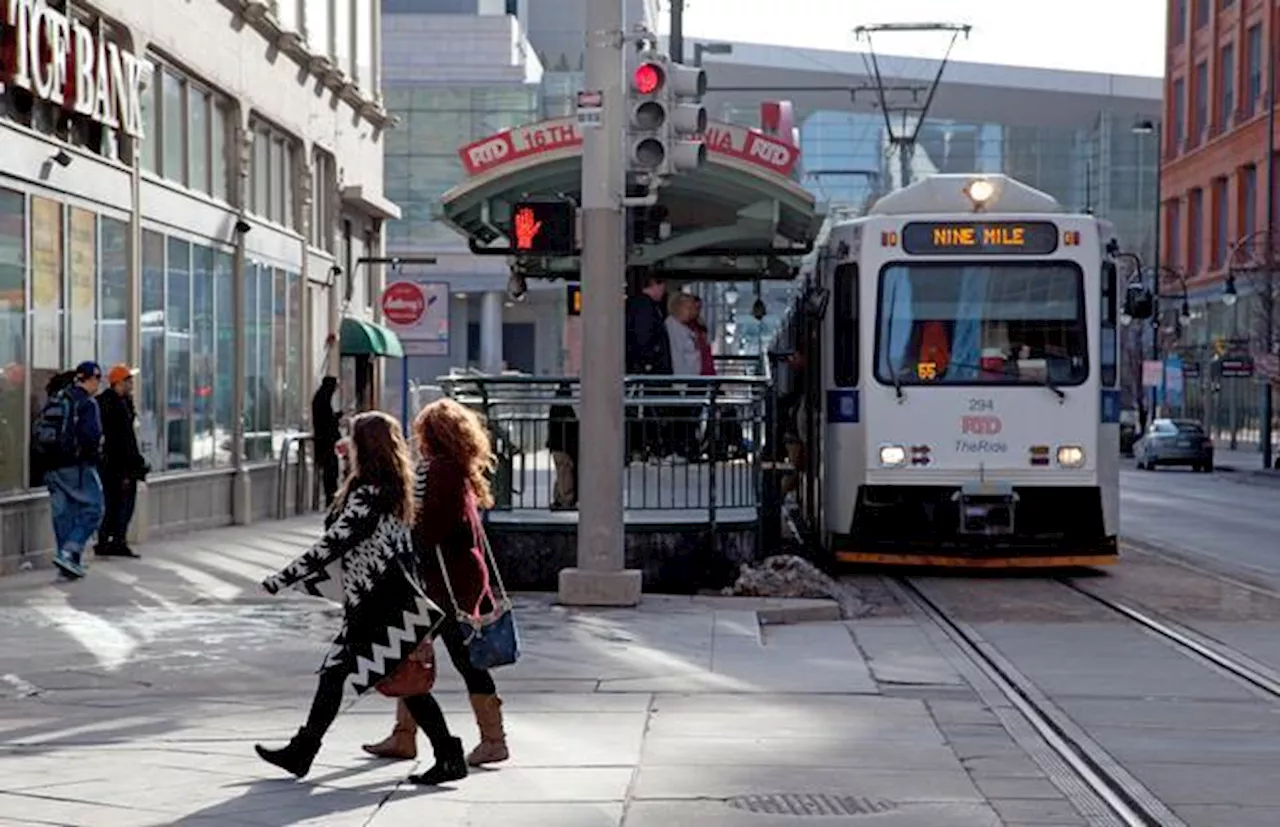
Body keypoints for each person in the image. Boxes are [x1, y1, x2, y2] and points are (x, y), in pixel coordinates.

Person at [255, 411, 469, 786]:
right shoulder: (394, 489)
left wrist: (281, 578)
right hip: (386, 604)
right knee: (385, 681)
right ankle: (447, 755)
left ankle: (304, 751)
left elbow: (334, 542)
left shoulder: (372, 494)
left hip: (381, 606)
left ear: (363, 447)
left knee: (358, 677)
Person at [362, 398, 510, 768]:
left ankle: (493, 740)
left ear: (431, 434)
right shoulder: (457, 469)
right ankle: (404, 735)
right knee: (410, 652)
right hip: (456, 579)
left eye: (421, 431)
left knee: (461, 659)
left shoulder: (439, 472)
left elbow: (428, 530)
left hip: (446, 585)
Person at [32, 362, 104, 579]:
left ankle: (68, 564)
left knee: (64, 514)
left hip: (51, 466)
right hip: (77, 466)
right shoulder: (87, 403)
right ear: (89, 379)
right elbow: (92, 436)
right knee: (94, 508)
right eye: (97, 379)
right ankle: (69, 551)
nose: (99, 384)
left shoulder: (58, 398)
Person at [96, 364, 147, 558]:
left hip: (109, 464)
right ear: (119, 383)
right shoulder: (116, 405)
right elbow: (125, 439)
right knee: (122, 504)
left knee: (112, 504)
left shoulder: (110, 402)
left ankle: (107, 540)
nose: (131, 384)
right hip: (119, 464)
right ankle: (116, 541)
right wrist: (132, 465)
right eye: (128, 381)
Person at [625, 274, 672, 460]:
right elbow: (643, 337)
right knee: (647, 409)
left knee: (642, 408)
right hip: (648, 371)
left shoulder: (640, 305)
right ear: (655, 285)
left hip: (645, 369)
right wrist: (648, 362)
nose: (664, 291)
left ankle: (643, 447)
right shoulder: (645, 307)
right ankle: (645, 446)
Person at [665, 293, 703, 462]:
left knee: (690, 418)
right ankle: (682, 450)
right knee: (684, 419)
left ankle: (687, 449)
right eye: (688, 307)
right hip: (683, 382)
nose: (692, 312)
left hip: (690, 381)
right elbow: (677, 356)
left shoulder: (684, 328)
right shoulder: (674, 328)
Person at [546, 382, 579, 510]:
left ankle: (559, 499)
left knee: (562, 473)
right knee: (565, 473)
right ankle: (565, 501)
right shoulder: (564, 408)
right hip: (563, 446)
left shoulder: (556, 406)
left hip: (556, 446)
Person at [311, 377, 342, 506]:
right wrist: (336, 418)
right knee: (330, 471)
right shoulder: (322, 400)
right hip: (326, 443)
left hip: (324, 442)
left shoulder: (321, 399)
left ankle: (330, 496)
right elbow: (326, 422)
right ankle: (330, 497)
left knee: (330, 471)